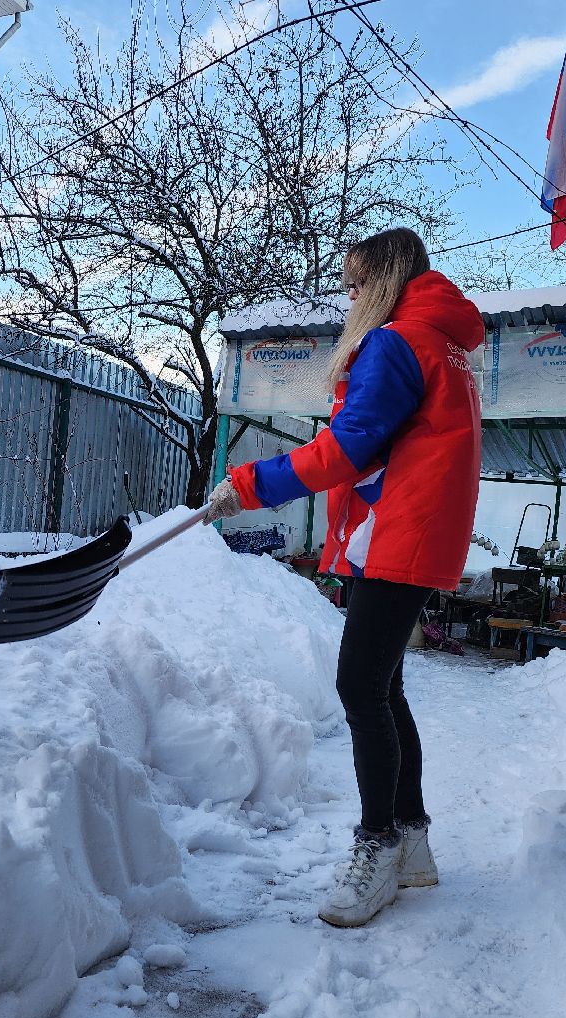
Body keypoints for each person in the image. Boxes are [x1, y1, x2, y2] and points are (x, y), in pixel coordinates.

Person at [203, 227, 485, 928]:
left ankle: (378, 844)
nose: (350, 295)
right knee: (383, 687)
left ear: (386, 280)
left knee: (360, 688)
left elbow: (346, 451)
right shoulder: (443, 343)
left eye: (357, 283)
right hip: (410, 535)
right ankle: (411, 840)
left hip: (396, 534)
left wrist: (248, 484)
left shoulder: (396, 343)